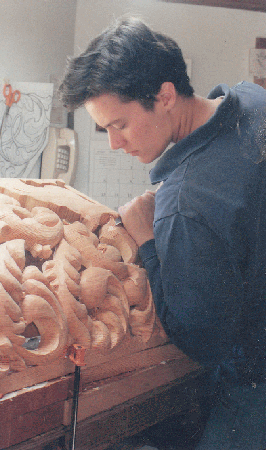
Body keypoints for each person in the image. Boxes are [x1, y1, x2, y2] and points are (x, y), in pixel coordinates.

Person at [58, 17, 266, 449]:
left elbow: (201, 341)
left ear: (166, 95)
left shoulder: (183, 205)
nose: (115, 143)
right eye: (105, 129)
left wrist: (148, 239)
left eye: (120, 124)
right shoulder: (251, 97)